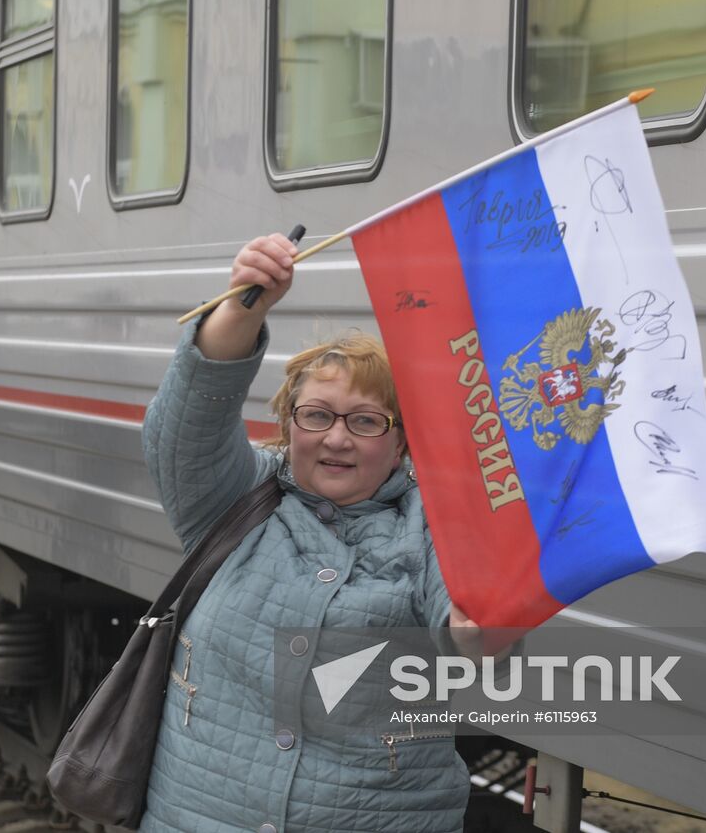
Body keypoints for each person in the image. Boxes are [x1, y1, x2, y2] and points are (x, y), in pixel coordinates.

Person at [139, 233, 485, 832]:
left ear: (403, 440)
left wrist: (481, 631)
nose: (337, 437)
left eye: (366, 420)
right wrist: (244, 306)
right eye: (317, 415)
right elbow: (184, 435)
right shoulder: (236, 501)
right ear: (288, 424)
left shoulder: (432, 526)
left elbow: (469, 637)